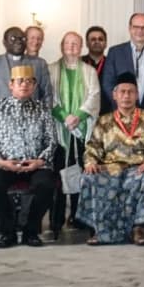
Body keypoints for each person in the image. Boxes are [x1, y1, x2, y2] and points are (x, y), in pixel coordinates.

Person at [77, 72, 144, 245]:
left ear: (137, 95)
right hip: (110, 168)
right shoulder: (104, 121)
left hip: (138, 168)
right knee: (89, 177)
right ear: (114, 95)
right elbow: (93, 146)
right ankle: (100, 230)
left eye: (131, 92)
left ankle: (140, 228)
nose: (126, 96)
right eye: (122, 92)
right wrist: (91, 162)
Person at [0, 65, 58, 248]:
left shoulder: (42, 109)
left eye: (29, 81)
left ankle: (31, 230)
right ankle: (7, 231)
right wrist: (0, 161)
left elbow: (52, 140)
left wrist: (40, 161)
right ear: (11, 85)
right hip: (5, 163)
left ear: (34, 86)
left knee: (46, 184)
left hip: (35, 164)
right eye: (20, 81)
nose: (24, 85)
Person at [48, 32, 101, 230]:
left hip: (81, 131)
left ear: (81, 47)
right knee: (58, 175)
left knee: (80, 173)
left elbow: (94, 96)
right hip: (59, 132)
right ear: (62, 46)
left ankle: (79, 216)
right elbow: (49, 96)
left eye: (76, 44)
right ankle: (56, 219)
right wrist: (64, 116)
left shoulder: (89, 71)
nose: (72, 47)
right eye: (68, 43)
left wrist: (78, 116)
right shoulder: (51, 69)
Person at [100, 13, 144, 121]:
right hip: (121, 117)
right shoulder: (115, 52)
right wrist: (124, 107)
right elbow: (108, 84)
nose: (140, 31)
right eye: (136, 27)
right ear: (129, 28)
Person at [0, 26, 52, 114]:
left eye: (22, 39)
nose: (18, 42)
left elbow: (46, 94)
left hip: (33, 120)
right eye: (13, 39)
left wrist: (43, 116)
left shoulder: (39, 64)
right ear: (4, 42)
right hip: (1, 121)